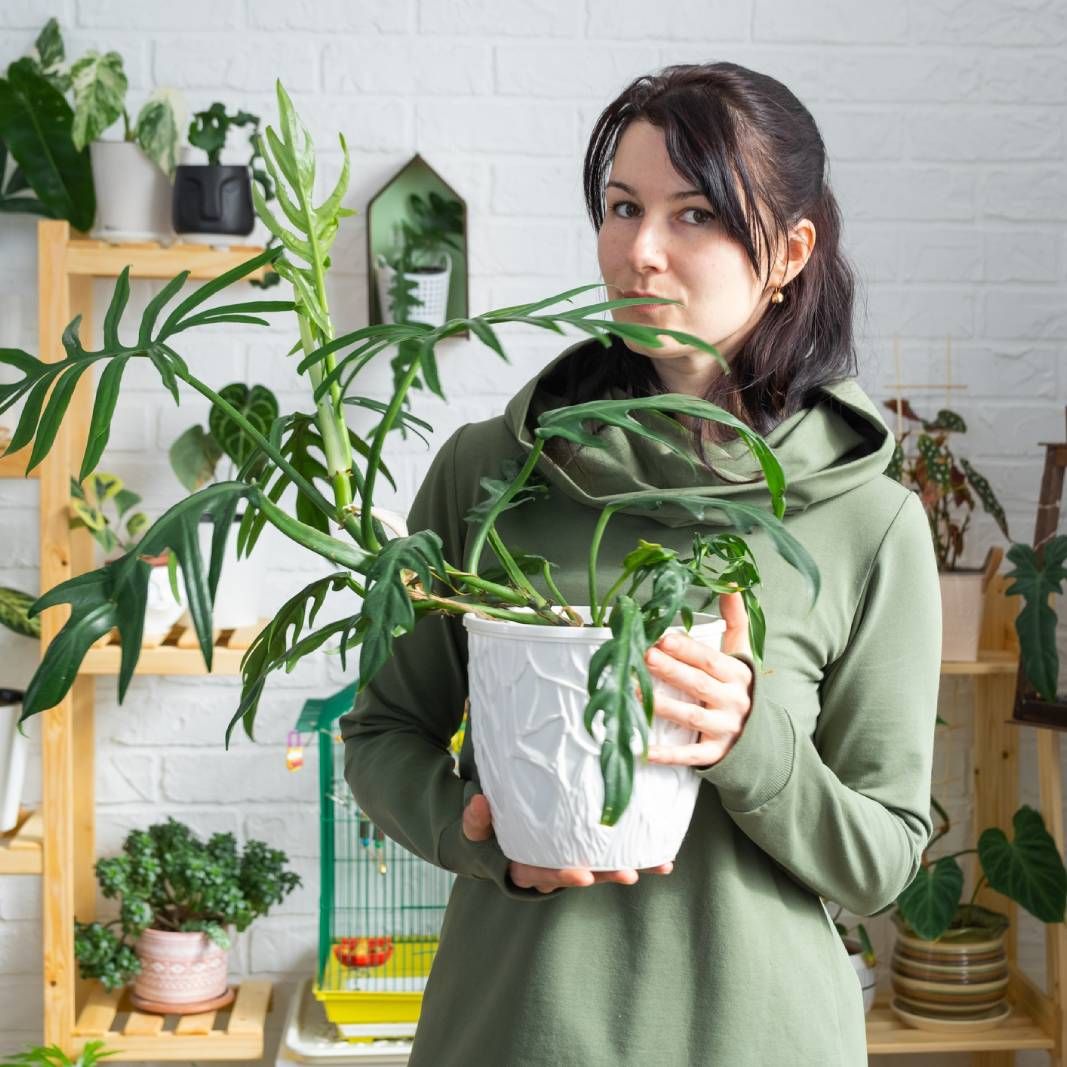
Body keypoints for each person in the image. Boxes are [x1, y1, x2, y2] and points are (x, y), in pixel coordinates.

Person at [341, 61, 941, 1066]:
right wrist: (480, 835)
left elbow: (882, 860)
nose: (639, 252)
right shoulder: (489, 472)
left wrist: (748, 738)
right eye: (622, 207)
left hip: (761, 1037)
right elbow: (381, 733)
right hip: (511, 1029)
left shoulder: (870, 521)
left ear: (789, 250)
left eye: (694, 213)